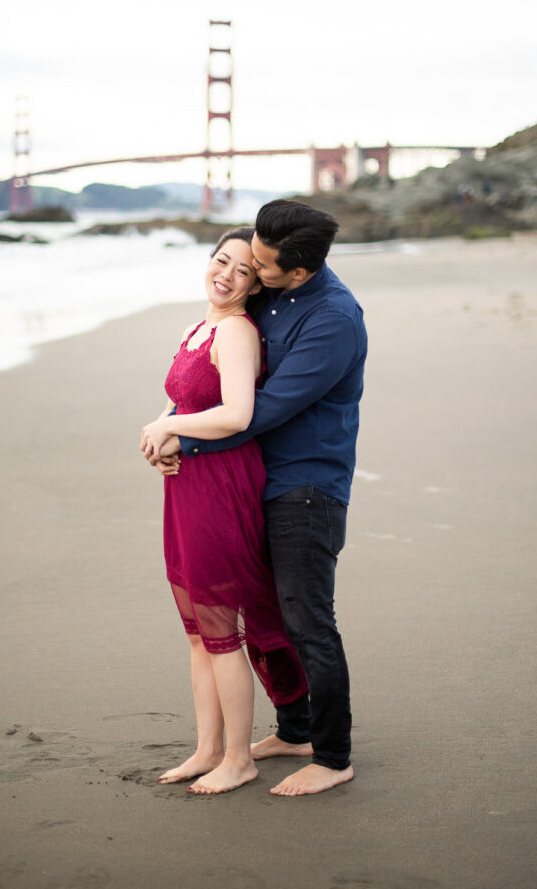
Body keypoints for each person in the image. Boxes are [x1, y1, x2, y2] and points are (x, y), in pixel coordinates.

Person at [145, 199, 368, 797]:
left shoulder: (333, 320)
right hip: (248, 476)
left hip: (305, 485)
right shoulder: (271, 289)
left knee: (305, 616)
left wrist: (177, 438)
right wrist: (173, 421)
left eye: (264, 267)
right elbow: (210, 378)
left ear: (298, 271)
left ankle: (333, 753)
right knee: (264, 612)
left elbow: (263, 409)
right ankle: (293, 729)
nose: (254, 272)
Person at [140, 226, 308, 796]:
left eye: (242, 270)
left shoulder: (237, 332)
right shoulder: (198, 326)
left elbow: (237, 414)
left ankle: (239, 757)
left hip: (221, 484)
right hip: (187, 481)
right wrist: (163, 441)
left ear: (255, 284)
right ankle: (207, 749)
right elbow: (182, 400)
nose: (226, 275)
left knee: (221, 631)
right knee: (197, 630)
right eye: (220, 261)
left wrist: (169, 428)